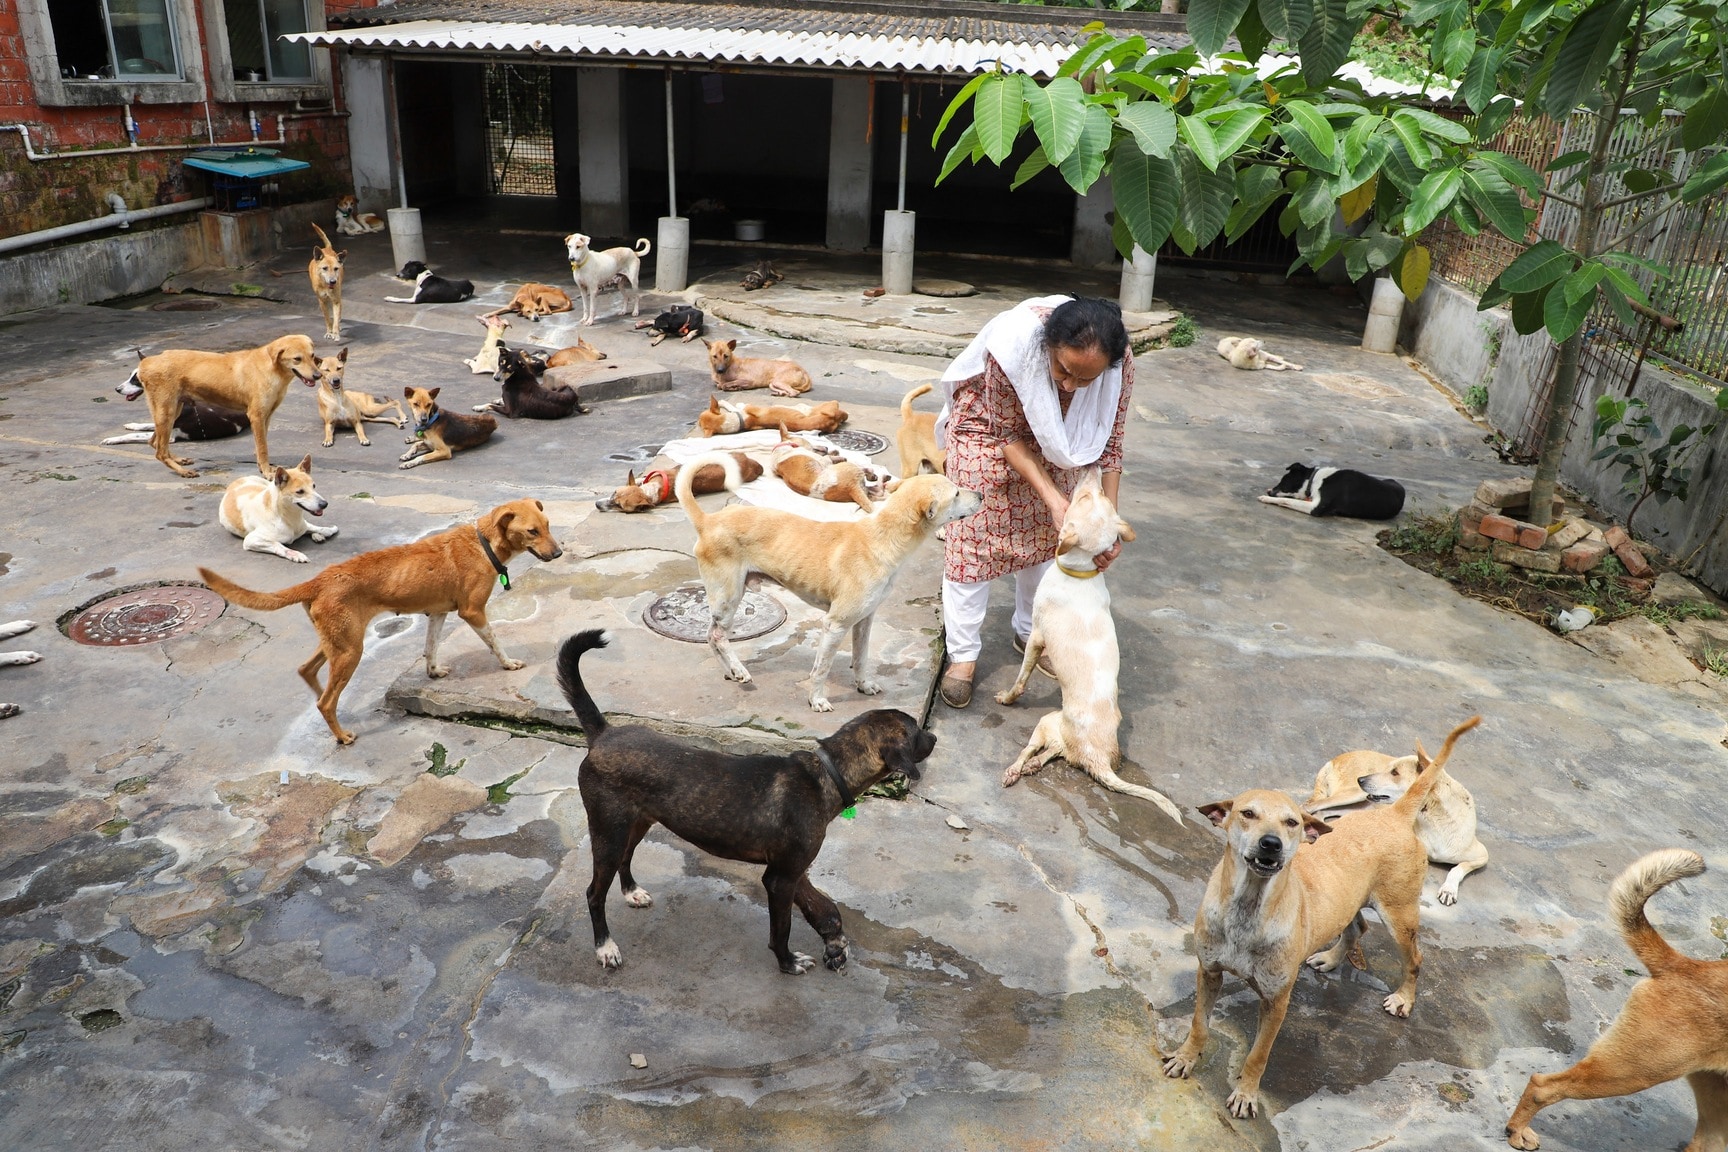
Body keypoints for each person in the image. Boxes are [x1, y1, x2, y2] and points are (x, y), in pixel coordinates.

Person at [934, 295, 1133, 709]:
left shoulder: (1118, 365)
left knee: (1046, 537)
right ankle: (964, 655)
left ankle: (1030, 632)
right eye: (1064, 369)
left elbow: (1110, 444)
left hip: (1063, 435)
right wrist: (1054, 498)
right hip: (987, 429)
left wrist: (1108, 522)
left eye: (1085, 380)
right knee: (973, 538)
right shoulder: (1013, 346)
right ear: (1048, 344)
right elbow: (1006, 435)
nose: (1070, 386)